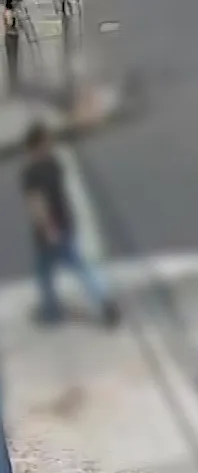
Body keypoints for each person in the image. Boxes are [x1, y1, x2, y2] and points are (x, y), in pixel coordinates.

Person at [21, 124, 117, 326]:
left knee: (44, 272)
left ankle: (51, 311)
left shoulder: (30, 173)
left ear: (31, 146)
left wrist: (47, 229)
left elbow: (37, 203)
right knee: (78, 266)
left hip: (48, 230)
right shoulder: (55, 164)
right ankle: (103, 299)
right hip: (66, 222)